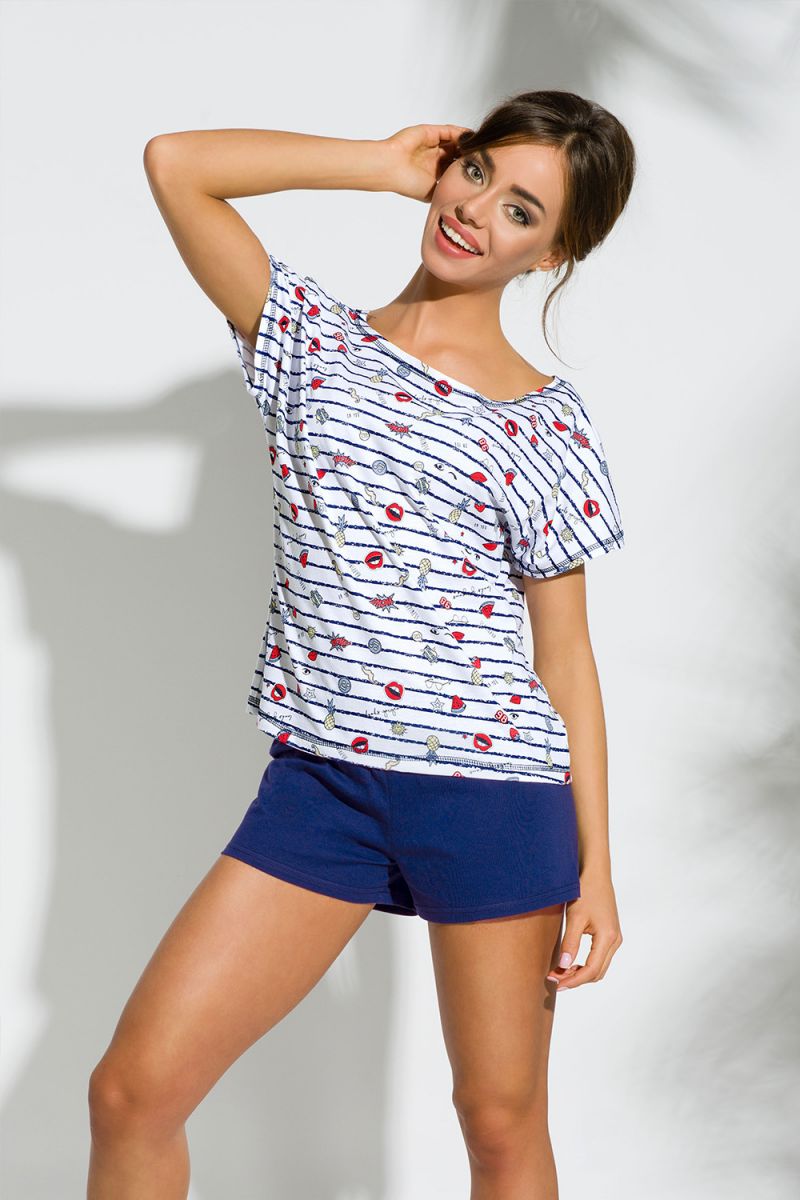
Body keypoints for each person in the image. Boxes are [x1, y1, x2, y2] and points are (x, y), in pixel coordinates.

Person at [87, 90, 637, 1199]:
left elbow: (566, 658)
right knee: (132, 1095)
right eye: (476, 172)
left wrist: (599, 871)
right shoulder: (307, 341)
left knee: (497, 1124)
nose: (476, 211)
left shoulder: (546, 422)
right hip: (324, 789)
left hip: (492, 796)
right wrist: (379, 164)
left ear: (551, 254)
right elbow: (177, 161)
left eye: (521, 210)